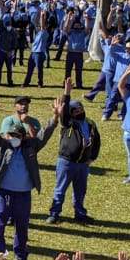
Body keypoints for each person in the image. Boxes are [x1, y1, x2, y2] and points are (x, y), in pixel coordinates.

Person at [0, 96, 56, 260]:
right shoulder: (4, 146)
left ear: (24, 137)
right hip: (4, 192)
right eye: (12, 135)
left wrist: (55, 118)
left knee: (22, 227)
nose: (15, 138)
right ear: (8, 135)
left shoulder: (31, 147)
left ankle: (21, 255)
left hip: (23, 193)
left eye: (19, 135)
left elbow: (43, 135)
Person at [46, 81, 100, 224]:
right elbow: (63, 113)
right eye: (75, 110)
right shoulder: (68, 123)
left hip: (83, 165)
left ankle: (80, 214)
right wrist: (67, 93)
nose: (79, 112)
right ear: (70, 113)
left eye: (80, 109)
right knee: (60, 189)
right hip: (66, 162)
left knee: (80, 191)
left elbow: (97, 142)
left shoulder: (90, 123)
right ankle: (54, 213)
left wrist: (92, 158)